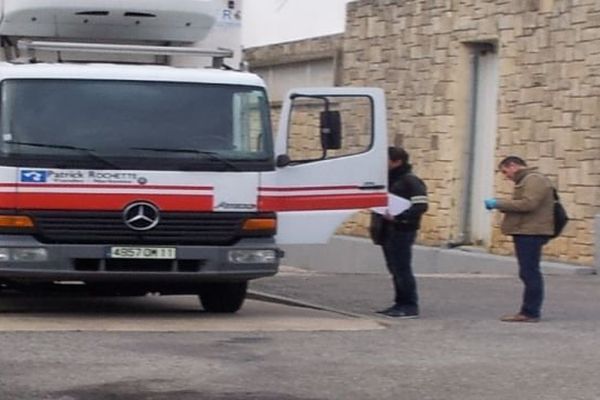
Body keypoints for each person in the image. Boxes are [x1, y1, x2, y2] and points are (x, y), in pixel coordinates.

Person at [484, 156, 554, 323]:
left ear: (513, 165)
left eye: (505, 171)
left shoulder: (534, 179)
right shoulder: (527, 180)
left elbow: (528, 204)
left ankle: (530, 312)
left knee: (530, 272)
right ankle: (529, 311)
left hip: (531, 232)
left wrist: (498, 204)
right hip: (526, 230)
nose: (505, 176)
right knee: (527, 272)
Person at [376, 146, 428, 318]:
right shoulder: (388, 180)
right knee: (394, 269)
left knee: (402, 268)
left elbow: (421, 205)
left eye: (386, 160)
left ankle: (409, 305)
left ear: (397, 161)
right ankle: (399, 303)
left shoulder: (410, 181)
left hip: (402, 230)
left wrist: (399, 217)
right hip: (387, 231)